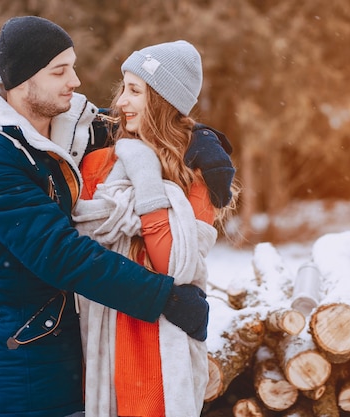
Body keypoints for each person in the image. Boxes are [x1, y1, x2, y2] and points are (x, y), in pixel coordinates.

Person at [0, 16, 235, 417]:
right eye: (60, 70)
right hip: (31, 351)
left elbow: (152, 120)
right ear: (22, 80)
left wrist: (202, 139)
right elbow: (58, 253)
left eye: (74, 66)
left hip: (88, 339)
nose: (76, 81)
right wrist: (162, 297)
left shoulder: (75, 126)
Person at [73, 40, 237, 417]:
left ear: (163, 102)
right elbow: (79, 239)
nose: (121, 102)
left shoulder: (196, 174)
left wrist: (146, 176)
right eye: (123, 88)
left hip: (164, 334)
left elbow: (173, 266)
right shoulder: (98, 162)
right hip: (102, 328)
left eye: (135, 91)